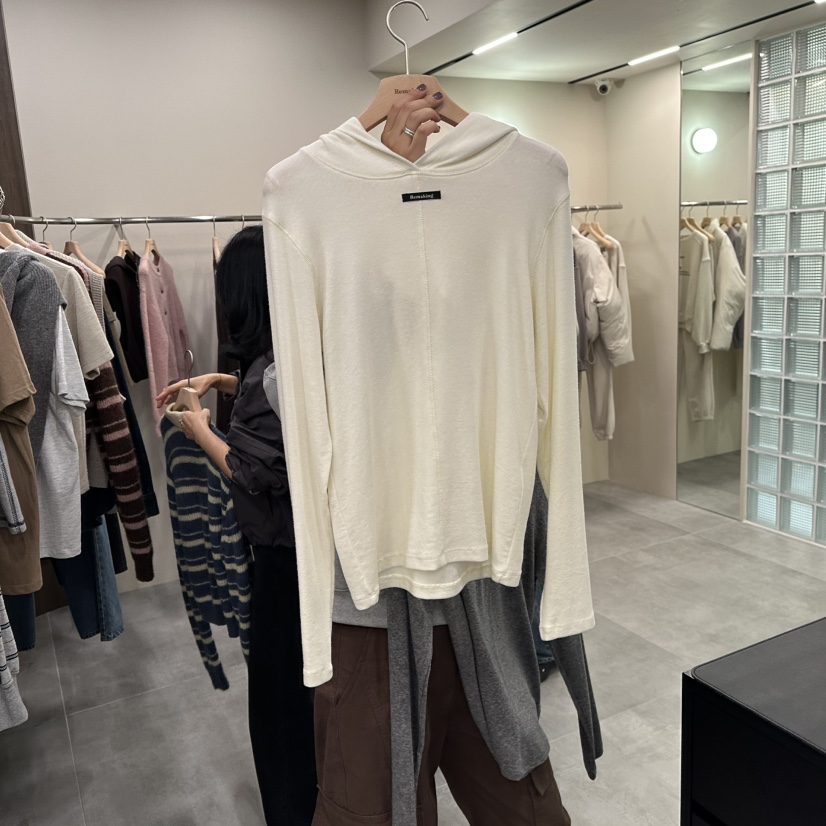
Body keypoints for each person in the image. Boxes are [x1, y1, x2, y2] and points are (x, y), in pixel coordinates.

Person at [155, 226, 316, 826]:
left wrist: (200, 430)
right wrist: (219, 382)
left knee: (279, 704)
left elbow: (254, 472)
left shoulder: (274, 372)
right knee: (297, 695)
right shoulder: (292, 355)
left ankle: (295, 813)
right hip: (304, 555)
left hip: (284, 561)